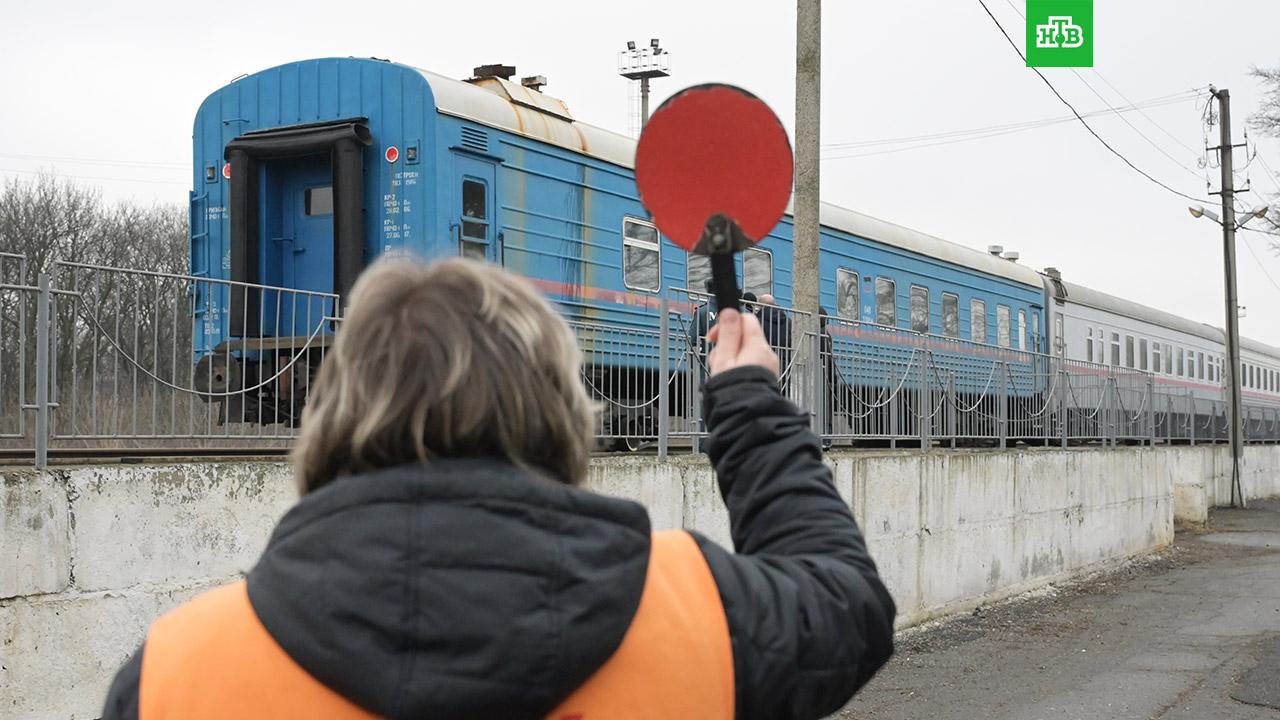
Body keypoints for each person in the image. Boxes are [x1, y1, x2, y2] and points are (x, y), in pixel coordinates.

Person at [102, 258, 895, 720]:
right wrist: (749, 405)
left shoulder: (176, 675)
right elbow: (848, 600)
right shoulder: (703, 617)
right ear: (560, 409)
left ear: (331, 414)